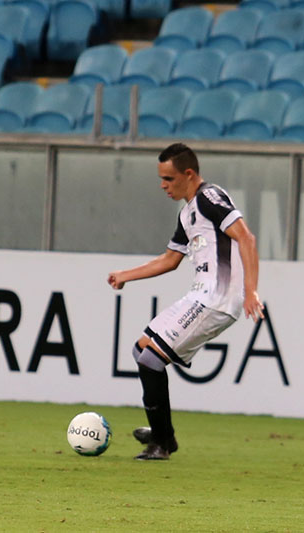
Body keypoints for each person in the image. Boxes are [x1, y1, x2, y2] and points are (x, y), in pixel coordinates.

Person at [107, 143, 264, 461]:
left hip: (217, 298)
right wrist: (126, 274)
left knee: (151, 360)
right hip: (200, 294)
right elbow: (169, 260)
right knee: (141, 350)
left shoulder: (209, 198)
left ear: (188, 174)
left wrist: (251, 291)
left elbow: (246, 237)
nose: (163, 185)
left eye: (168, 178)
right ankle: (163, 433)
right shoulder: (188, 212)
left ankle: (161, 443)